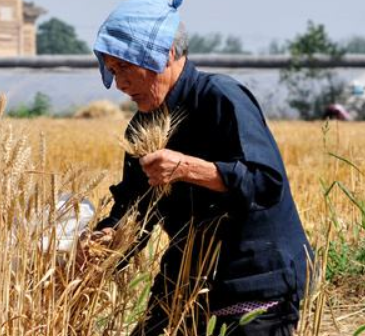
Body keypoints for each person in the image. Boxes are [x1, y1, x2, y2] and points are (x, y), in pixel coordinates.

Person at [85, 0, 314, 335]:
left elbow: (266, 183)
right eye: (113, 71)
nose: (119, 83)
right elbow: (135, 210)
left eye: (123, 68)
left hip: (253, 279)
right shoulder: (141, 128)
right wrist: (104, 241)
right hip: (186, 277)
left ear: (159, 55)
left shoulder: (221, 98)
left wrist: (189, 169)